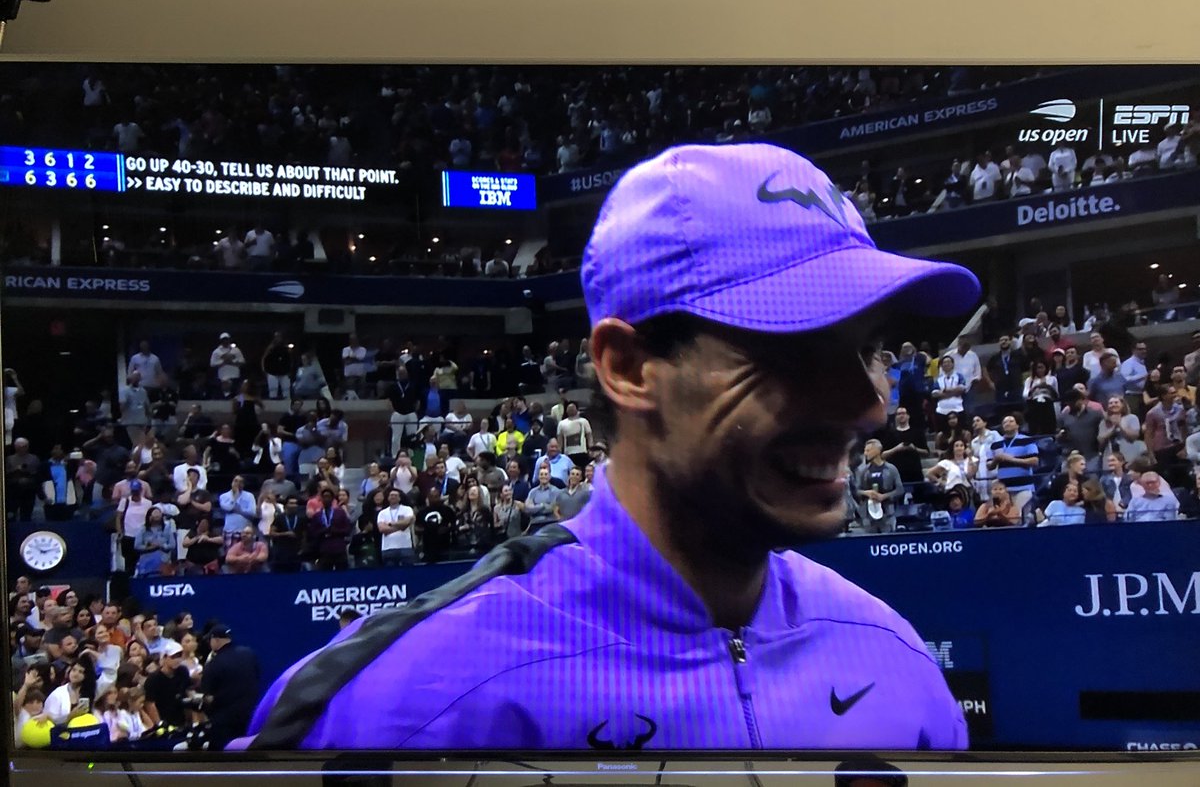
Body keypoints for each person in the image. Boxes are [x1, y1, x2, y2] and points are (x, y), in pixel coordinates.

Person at [234, 143, 974, 752]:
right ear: (627, 367)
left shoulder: (896, 661)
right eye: (794, 351)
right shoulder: (399, 706)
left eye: (869, 349)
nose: (869, 404)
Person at [200, 624, 260, 749]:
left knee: (220, 759)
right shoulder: (248, 654)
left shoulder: (214, 664)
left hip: (224, 723)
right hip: (250, 717)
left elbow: (208, 697)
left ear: (215, 640)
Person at [851, 439, 904, 533]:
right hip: (868, 515)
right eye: (864, 451)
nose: (865, 453)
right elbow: (855, 490)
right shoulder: (862, 470)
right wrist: (866, 493)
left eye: (868, 450)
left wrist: (884, 496)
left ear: (877, 451)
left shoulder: (891, 469)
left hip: (887, 514)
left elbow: (900, 490)